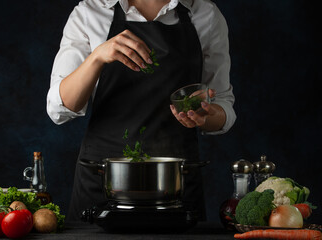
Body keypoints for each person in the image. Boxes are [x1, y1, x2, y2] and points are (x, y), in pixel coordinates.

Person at [47, 0, 236, 222]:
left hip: (174, 182)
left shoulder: (206, 14)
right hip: (104, 178)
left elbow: (222, 104)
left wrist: (207, 115)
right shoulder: (90, 12)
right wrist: (97, 57)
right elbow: (60, 108)